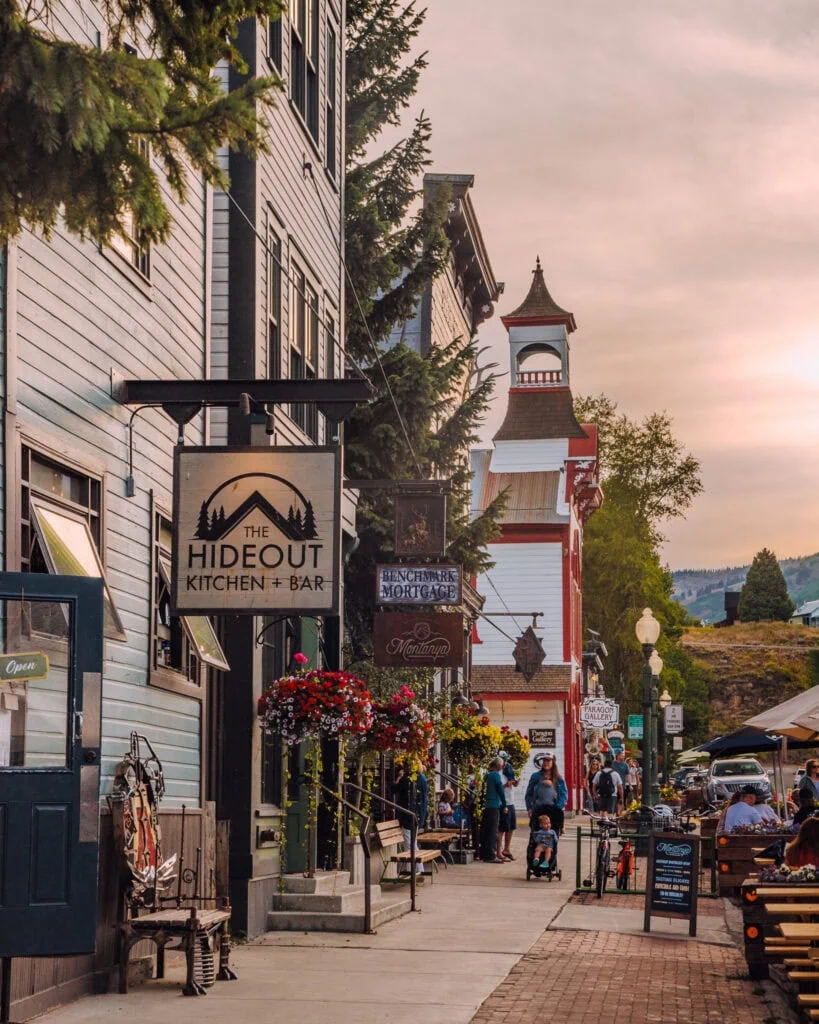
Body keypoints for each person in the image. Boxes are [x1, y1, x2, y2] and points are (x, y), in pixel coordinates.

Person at [525, 753, 568, 833]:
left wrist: (558, 807)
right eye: (544, 760)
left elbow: (564, 794)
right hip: (538, 809)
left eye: (548, 760)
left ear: (553, 762)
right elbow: (529, 793)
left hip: (553, 809)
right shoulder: (535, 776)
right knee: (536, 835)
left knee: (552, 836)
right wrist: (529, 808)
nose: (545, 763)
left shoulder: (558, 777)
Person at [392, 768, 424, 875]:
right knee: (412, 845)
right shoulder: (420, 779)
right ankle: (413, 870)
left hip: (407, 818)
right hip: (416, 817)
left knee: (410, 846)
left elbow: (394, 789)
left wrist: (398, 778)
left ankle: (418, 870)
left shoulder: (405, 780)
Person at [482, 757, 507, 863]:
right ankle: (491, 855)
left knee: (487, 831)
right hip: (494, 805)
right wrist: (504, 804)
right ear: (498, 766)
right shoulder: (496, 775)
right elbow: (500, 790)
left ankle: (485, 853)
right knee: (493, 831)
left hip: (486, 804)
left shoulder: (487, 775)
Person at [497, 751, 518, 861]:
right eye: (503, 760)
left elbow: (514, 781)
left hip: (510, 801)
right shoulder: (497, 772)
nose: (504, 762)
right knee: (502, 827)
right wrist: (506, 785)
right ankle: (499, 851)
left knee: (511, 826)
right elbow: (497, 787)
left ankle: (507, 849)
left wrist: (514, 782)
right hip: (502, 802)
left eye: (505, 760)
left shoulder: (508, 769)